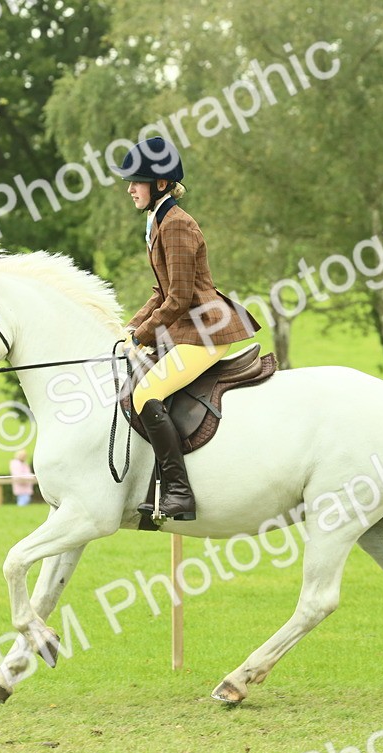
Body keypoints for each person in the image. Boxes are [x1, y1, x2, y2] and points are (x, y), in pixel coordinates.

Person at [113, 136, 262, 522]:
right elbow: (162, 291)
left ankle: (179, 492)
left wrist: (144, 335)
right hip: (185, 327)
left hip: (204, 330)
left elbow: (178, 298)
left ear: (160, 184)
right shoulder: (158, 220)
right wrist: (130, 327)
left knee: (146, 394)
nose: (130, 189)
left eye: (137, 182)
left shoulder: (177, 225)